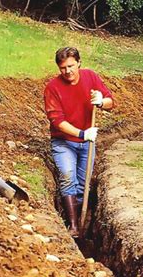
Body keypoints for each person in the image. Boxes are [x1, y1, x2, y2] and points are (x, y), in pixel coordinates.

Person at [44, 47, 114, 238]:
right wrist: (82, 134)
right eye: (63, 68)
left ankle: (83, 224)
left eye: (71, 66)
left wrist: (101, 101)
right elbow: (57, 121)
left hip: (86, 144)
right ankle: (73, 226)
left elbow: (111, 102)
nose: (67, 71)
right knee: (68, 178)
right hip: (64, 142)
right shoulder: (53, 88)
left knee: (83, 185)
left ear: (79, 63)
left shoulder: (91, 77)